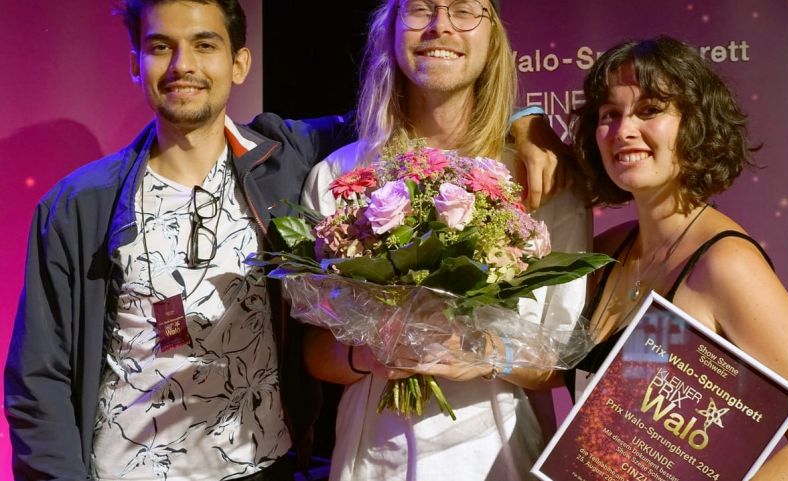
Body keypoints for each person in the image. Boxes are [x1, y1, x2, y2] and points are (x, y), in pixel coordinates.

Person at [3, 1, 567, 479]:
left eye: (204, 45)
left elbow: (426, 115)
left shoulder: (282, 163)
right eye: (159, 47)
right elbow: (38, 379)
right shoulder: (81, 204)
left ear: (239, 62)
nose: (183, 66)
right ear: (134, 62)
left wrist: (525, 118)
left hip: (264, 467)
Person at [300, 1, 591, 479]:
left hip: (499, 459)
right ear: (391, 29)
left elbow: (559, 362)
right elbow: (314, 349)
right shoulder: (339, 175)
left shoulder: (541, 179)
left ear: (492, 35)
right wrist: (372, 355)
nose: (441, 26)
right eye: (421, 9)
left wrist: (482, 352)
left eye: (463, 10)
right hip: (372, 460)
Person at [566, 36, 788, 480]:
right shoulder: (605, 252)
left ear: (696, 125)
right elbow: (547, 371)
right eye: (610, 114)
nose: (623, 130)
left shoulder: (727, 266)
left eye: (650, 110)